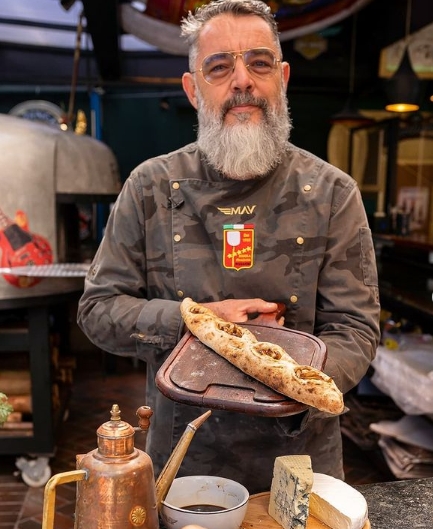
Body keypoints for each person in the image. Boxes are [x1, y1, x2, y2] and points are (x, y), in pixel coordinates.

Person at [77, 0, 380, 494]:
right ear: (193, 90)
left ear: (282, 78)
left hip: (301, 456)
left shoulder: (332, 192)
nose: (242, 80)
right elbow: (98, 311)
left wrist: (283, 377)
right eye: (220, 67)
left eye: (258, 63)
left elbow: (356, 329)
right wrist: (202, 322)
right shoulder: (150, 186)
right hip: (183, 454)